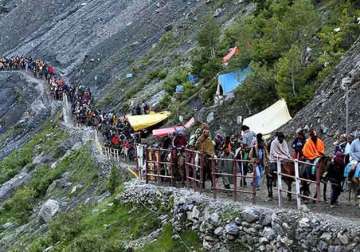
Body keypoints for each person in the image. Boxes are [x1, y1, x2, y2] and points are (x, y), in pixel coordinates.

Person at [268, 132, 291, 199]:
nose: (281, 140)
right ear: (278, 138)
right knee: (273, 169)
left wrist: (288, 156)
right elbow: (273, 152)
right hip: (274, 159)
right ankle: (273, 178)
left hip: (283, 158)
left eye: (282, 138)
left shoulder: (284, 142)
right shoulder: (273, 143)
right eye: (280, 138)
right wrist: (280, 156)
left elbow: (286, 150)